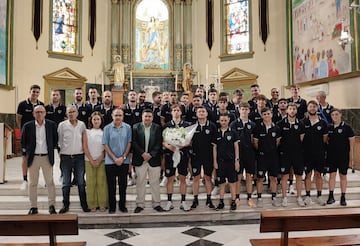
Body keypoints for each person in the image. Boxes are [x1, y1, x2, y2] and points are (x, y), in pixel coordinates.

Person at [21, 105, 57, 215]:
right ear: (33, 114)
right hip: (33, 157)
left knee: (50, 183)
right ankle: (33, 207)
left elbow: (55, 140)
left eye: (41, 112)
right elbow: (23, 141)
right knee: (33, 183)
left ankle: (51, 206)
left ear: (45, 113)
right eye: (37, 112)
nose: (39, 114)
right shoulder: (27, 126)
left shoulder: (51, 125)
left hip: (46, 157)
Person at [57, 105, 90, 213]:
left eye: (73, 111)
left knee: (81, 182)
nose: (71, 113)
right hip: (66, 157)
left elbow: (84, 141)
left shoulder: (82, 125)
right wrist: (61, 154)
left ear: (77, 113)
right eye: (69, 112)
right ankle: (65, 205)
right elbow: (60, 141)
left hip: (79, 157)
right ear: (66, 114)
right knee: (66, 183)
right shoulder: (62, 125)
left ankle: (84, 205)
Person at [132, 109, 164, 213]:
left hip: (153, 159)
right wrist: (142, 153)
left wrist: (151, 154)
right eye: (145, 116)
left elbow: (159, 143)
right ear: (142, 117)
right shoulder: (136, 127)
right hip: (140, 159)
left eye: (149, 116)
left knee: (155, 183)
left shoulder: (157, 128)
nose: (147, 118)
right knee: (140, 183)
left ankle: (156, 203)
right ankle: (140, 204)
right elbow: (134, 142)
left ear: (152, 117)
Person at [102, 108, 132, 213]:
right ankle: (112, 206)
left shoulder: (127, 127)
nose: (118, 117)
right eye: (116, 115)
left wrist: (123, 157)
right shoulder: (107, 128)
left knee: (123, 185)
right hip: (110, 162)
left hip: (124, 161)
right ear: (112, 116)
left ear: (123, 116)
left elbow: (129, 143)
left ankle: (122, 206)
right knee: (111, 186)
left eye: (120, 115)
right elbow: (105, 144)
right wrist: (114, 158)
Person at [163, 104, 191, 211]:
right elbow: (164, 141)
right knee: (170, 178)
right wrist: (171, 147)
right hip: (170, 155)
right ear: (171, 112)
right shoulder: (167, 125)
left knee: (182, 178)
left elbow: (189, 141)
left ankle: (183, 201)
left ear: (181, 112)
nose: (176, 112)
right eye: (174, 110)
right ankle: (169, 201)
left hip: (182, 154)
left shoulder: (186, 125)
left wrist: (181, 145)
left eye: (177, 110)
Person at [17, 84, 44, 190]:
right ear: (30, 91)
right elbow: (18, 119)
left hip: (38, 135)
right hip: (26, 136)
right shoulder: (22, 104)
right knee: (25, 157)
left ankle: (35, 180)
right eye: (33, 91)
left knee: (37, 158)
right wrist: (22, 133)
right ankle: (24, 180)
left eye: (37, 92)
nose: (35, 94)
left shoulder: (41, 104)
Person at [278, 102, 305, 207]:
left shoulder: (301, 124)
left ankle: (299, 197)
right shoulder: (281, 123)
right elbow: (278, 140)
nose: (292, 111)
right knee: (284, 176)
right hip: (285, 154)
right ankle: (284, 197)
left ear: (296, 111)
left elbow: (301, 139)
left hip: (297, 154)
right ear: (287, 110)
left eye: (294, 109)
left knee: (298, 176)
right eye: (290, 109)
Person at [230, 102, 257, 208]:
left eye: (246, 109)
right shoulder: (234, 124)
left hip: (249, 154)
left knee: (249, 176)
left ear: (249, 111)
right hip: (238, 154)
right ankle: (237, 197)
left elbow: (254, 140)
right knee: (238, 176)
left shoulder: (253, 124)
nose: (244, 111)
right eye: (242, 109)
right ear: (239, 110)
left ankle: (249, 197)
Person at [190, 105, 217, 209]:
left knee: (208, 177)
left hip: (208, 156)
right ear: (196, 114)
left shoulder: (212, 126)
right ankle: (195, 199)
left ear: (206, 113)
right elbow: (188, 142)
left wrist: (215, 160)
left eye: (203, 111)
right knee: (196, 177)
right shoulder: (192, 126)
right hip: (195, 156)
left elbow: (215, 145)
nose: (201, 113)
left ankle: (209, 199)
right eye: (199, 111)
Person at [253, 107, 281, 208]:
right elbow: (255, 143)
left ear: (271, 114)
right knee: (260, 178)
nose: (266, 116)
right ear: (262, 116)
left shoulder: (276, 128)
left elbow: (277, 142)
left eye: (268, 114)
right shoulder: (258, 128)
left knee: (273, 177)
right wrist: (261, 151)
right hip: (261, 157)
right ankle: (259, 197)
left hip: (273, 157)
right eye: (264, 114)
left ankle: (274, 197)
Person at [326, 108, 355, 206]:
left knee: (343, 176)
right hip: (331, 156)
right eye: (333, 115)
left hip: (343, 156)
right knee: (332, 176)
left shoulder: (347, 127)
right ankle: (331, 196)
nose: (335, 116)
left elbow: (352, 144)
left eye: (336, 114)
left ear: (340, 115)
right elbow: (326, 141)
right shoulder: (329, 127)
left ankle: (343, 196)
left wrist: (352, 158)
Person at [302, 100, 328, 206]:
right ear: (307, 108)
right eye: (310, 106)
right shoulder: (303, 122)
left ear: (317, 108)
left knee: (318, 174)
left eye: (314, 106)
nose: (312, 108)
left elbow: (325, 139)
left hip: (319, 153)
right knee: (308, 174)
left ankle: (319, 196)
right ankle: (307, 196)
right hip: (306, 153)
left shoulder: (323, 123)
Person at [213, 113, 240, 211]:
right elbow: (215, 148)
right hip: (220, 162)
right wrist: (215, 161)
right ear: (219, 121)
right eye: (222, 120)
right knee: (221, 183)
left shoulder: (233, 132)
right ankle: (221, 201)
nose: (223, 122)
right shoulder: (216, 133)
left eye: (225, 120)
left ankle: (233, 201)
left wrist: (237, 160)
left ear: (228, 120)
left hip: (231, 161)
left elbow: (236, 147)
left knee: (232, 182)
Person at [82, 111, 108, 212]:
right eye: (94, 119)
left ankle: (102, 203)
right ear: (91, 121)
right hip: (89, 160)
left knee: (101, 182)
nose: (96, 121)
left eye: (98, 119)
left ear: (101, 120)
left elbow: (106, 147)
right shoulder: (87, 132)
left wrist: (99, 159)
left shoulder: (104, 132)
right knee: (91, 182)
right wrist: (91, 160)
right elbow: (85, 146)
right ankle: (92, 204)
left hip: (102, 160)